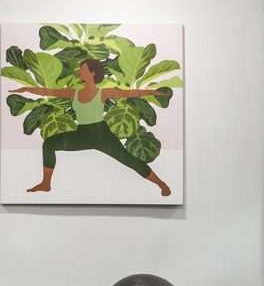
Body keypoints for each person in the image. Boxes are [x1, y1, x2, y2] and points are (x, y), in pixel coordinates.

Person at [11, 59, 171, 196]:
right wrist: (27, 89)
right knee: (49, 144)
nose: (79, 71)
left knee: (129, 160)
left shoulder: (102, 93)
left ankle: (161, 184)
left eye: (83, 69)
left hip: (101, 134)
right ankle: (46, 184)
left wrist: (153, 92)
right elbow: (50, 91)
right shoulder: (73, 93)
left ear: (92, 73)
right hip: (82, 134)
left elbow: (129, 93)